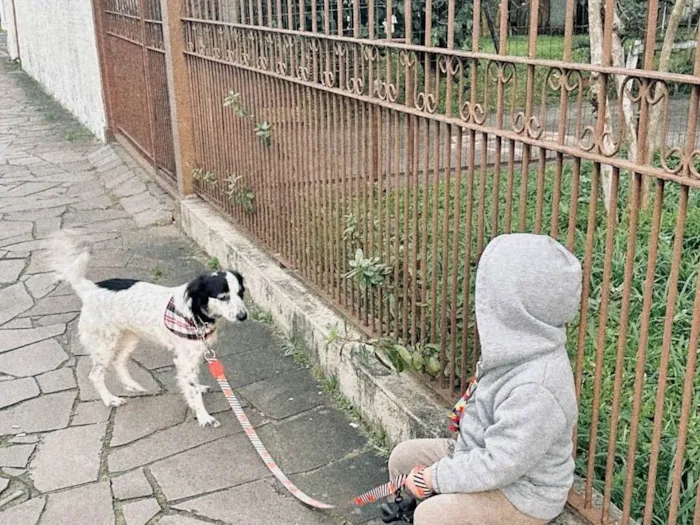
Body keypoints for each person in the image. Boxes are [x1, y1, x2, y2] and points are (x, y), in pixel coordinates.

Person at [388, 233, 582, 525]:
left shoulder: (538, 386)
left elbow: (500, 464)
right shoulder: (511, 348)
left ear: (511, 307)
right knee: (403, 459)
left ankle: (427, 512)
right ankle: (409, 512)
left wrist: (435, 478)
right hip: (476, 452)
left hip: (521, 493)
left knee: (434, 516)